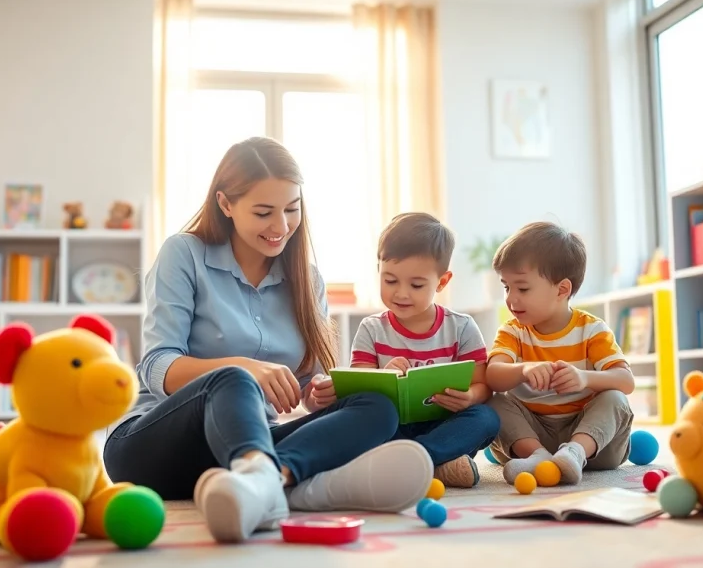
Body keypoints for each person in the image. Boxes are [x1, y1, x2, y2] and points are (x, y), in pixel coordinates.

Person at [102, 137, 433, 544]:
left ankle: (272, 479)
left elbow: (311, 389)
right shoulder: (183, 254)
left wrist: (326, 390)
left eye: (291, 210)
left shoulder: (307, 280)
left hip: (241, 449)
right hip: (153, 446)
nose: (281, 227)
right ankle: (308, 486)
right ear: (225, 204)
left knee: (377, 407)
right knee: (232, 377)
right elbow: (157, 366)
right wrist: (245, 368)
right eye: (263, 212)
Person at [349, 212, 500, 489]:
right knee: (360, 420)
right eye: (390, 280)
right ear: (378, 270)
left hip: (444, 427)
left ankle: (412, 460)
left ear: (442, 282)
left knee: (487, 418)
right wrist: (384, 375)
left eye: (416, 285)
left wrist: (469, 397)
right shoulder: (371, 329)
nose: (401, 293)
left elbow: (484, 386)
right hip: (391, 428)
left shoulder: (462, 327)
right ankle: (437, 465)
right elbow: (357, 391)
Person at [484, 221, 636, 485]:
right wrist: (523, 370)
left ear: (562, 289)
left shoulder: (592, 330)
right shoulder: (513, 331)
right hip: (531, 436)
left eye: (522, 288)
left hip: (594, 444)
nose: (511, 299)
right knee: (492, 401)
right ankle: (538, 457)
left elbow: (626, 381)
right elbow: (493, 376)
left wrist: (585, 378)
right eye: (506, 287)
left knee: (616, 398)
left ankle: (574, 453)